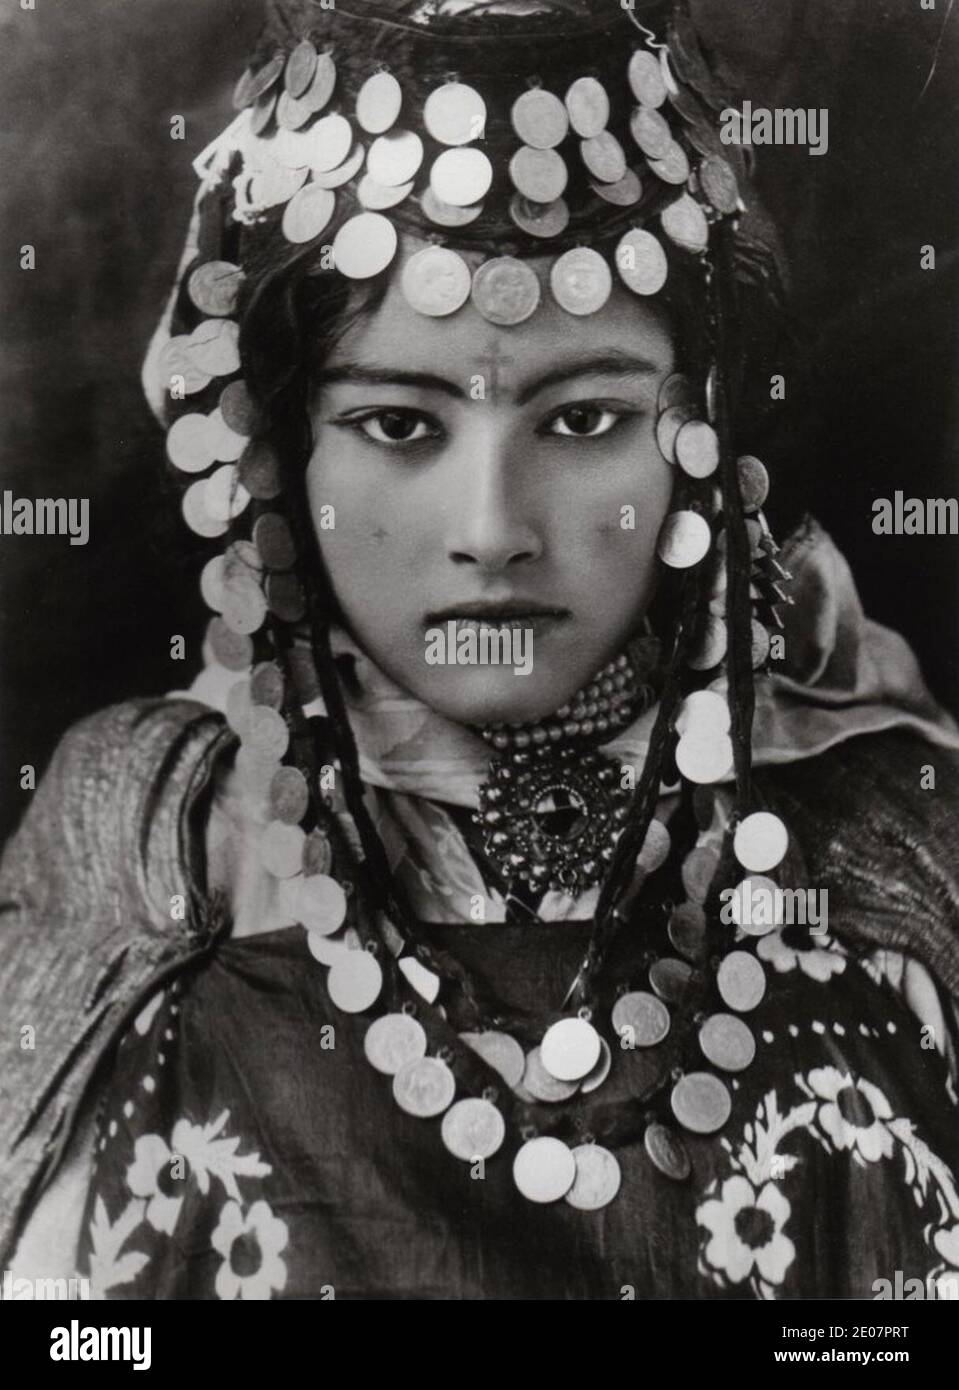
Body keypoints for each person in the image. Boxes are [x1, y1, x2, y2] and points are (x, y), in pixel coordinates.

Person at [3, 0, 959, 1301]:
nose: (493, 530)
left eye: (585, 420)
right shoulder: (153, 855)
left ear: (701, 440)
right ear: (283, 454)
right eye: (399, 425)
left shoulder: (890, 853)